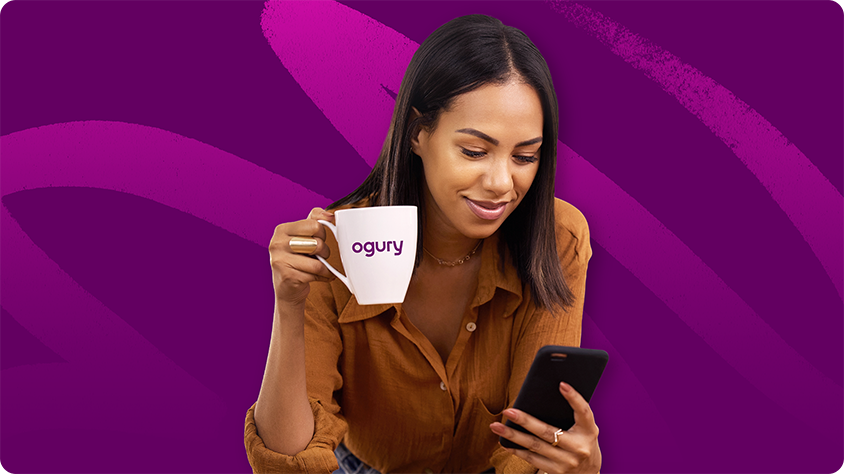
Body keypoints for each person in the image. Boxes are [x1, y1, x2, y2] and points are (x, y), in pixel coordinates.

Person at [244, 14, 599, 474]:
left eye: (525, 156)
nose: (501, 183)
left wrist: (576, 467)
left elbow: (527, 449)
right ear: (417, 134)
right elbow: (287, 462)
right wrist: (288, 304)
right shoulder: (336, 245)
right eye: (474, 151)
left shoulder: (557, 238)